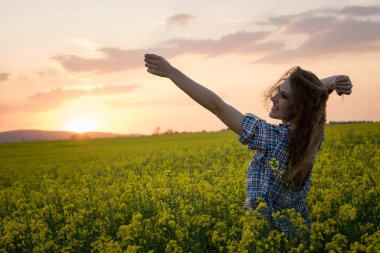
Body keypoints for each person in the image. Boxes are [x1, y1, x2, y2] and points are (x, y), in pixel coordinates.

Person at [143, 54, 353, 235]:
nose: (274, 97)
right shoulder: (313, 138)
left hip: (266, 237)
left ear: (299, 106)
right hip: (297, 235)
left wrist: (171, 72)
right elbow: (312, 97)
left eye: (284, 95)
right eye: (279, 90)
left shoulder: (273, 138)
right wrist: (333, 81)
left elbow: (217, 107)